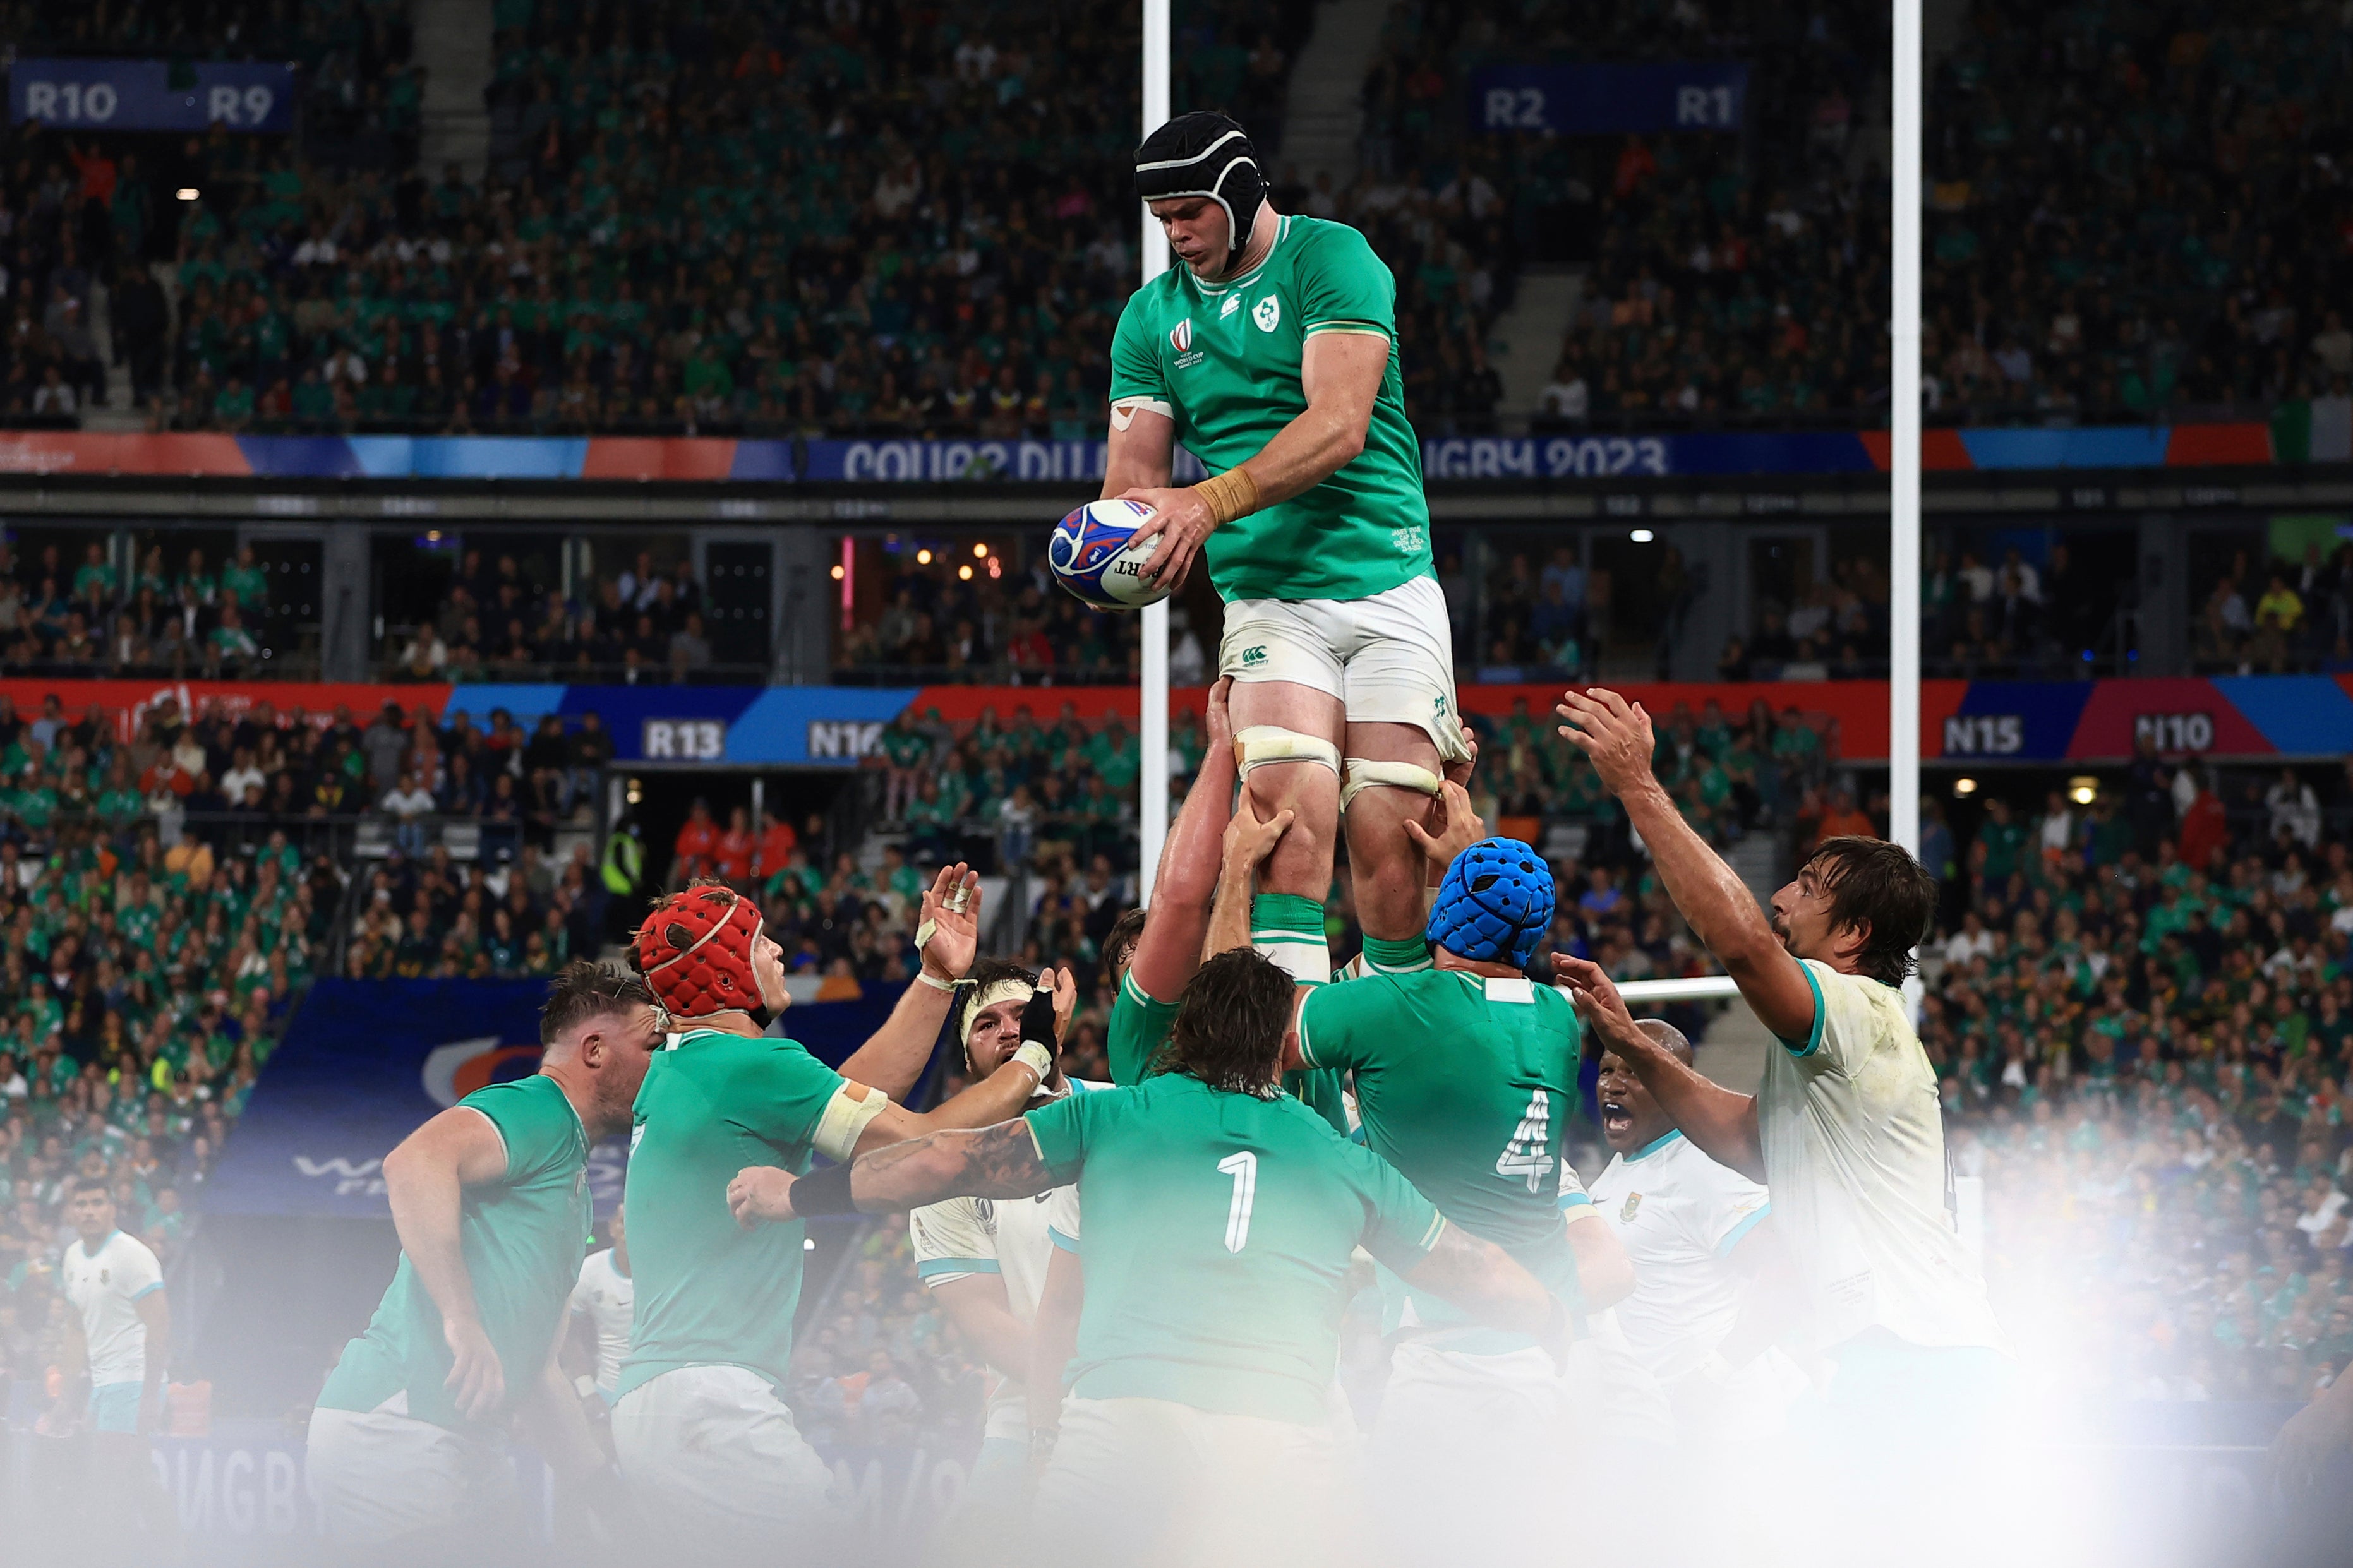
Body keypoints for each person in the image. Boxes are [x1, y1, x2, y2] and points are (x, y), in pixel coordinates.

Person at [725, 949, 1571, 1568]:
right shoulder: (1337, 1153)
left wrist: (793, 1194)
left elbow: (943, 1158)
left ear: (1185, 1029)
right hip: (1278, 1429)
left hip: (1121, 1422)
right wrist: (1551, 1314)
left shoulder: (1113, 1117)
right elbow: (1471, 1266)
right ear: (1282, 1041)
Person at [1553, 685, 2009, 1555]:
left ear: (1853, 932)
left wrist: (1638, 786)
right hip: (1898, 1360)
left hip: (1916, 1359)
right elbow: (1746, 1141)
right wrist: (1634, 1044)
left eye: (1807, 885)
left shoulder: (1851, 1005)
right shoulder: (1840, 1048)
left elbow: (1742, 947)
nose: (1783, 897)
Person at [1103, 111, 1465, 996]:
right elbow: (1135, 484)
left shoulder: (1331, 259)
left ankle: (1384, 1065)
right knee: (1287, 830)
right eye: (1162, 219)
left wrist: (1209, 499)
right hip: (1269, 600)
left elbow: (1338, 425)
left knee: (1390, 840)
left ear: (1237, 190)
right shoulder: (1151, 320)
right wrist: (1113, 553)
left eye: (1190, 210)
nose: (1176, 233)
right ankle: (1286, 1077)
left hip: (1386, 583)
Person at [611, 870, 1071, 1560]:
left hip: (658, 1401)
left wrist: (935, 980)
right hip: (712, 1401)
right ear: (726, 968)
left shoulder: (695, 1066)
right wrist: (1035, 1051)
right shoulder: (747, 1066)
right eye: (762, 942)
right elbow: (922, 1138)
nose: (778, 954)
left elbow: (858, 1089)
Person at [1287, 810, 1629, 1564]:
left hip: (1444, 1372)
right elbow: (1473, 967)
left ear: (1444, 915)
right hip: (1541, 1361)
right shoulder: (1556, 1018)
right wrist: (1461, 871)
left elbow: (1271, 1034)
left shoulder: (1395, 1007)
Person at [306, 962, 665, 1552]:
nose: (664, 1065)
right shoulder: (540, 1107)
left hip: (468, 1443)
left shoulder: (572, 1187)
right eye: (653, 1044)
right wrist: (461, 1317)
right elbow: (413, 1162)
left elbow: (538, 1374)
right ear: (595, 1049)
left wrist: (611, 1499)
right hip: (398, 1425)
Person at [907, 957, 1092, 1536]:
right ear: (967, 1060)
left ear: (1054, 1023)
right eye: (985, 1025)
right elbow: (987, 1322)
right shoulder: (946, 1168)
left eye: (1020, 1014)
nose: (1009, 1030)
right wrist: (1065, 1405)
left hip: (1143, 1390)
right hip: (1026, 1407)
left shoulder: (1119, 1108)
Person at [1589, 1020, 1802, 1442]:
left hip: (1723, 1431)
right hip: (1653, 1424)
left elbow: (1787, 1273)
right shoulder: (1615, 1172)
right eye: (1606, 1070)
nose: (1612, 1085)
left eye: (1632, 1071)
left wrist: (1714, 1374)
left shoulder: (1703, 1165)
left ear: (1671, 1080)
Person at [55, 1175, 174, 1544]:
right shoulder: (73, 1258)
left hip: (134, 1381)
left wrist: (151, 1395)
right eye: (82, 1204)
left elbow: (160, 1324)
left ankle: (107, 1557)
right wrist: (65, 1397)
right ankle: (177, 1552)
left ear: (112, 1208)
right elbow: (77, 1329)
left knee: (104, 1482)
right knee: (137, 1478)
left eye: (97, 1203)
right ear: (71, 1212)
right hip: (105, 1384)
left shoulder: (132, 1255)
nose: (89, 1211)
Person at [564, 1201, 633, 1409]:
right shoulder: (590, 1271)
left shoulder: (666, 1274)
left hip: (658, 1393)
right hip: (607, 1394)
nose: (628, 1230)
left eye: (635, 1223)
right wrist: (587, 1392)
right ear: (612, 1227)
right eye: (623, 1222)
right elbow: (567, 1336)